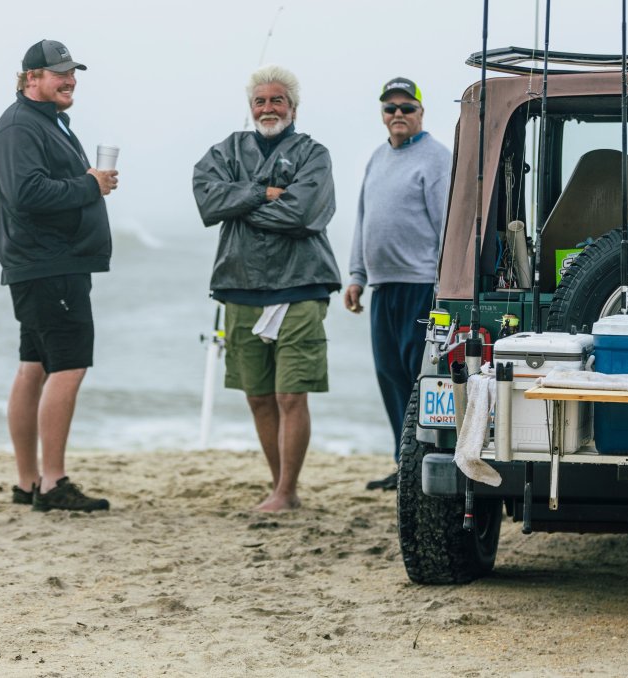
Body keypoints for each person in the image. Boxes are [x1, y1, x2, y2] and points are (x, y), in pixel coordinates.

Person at [192, 65, 340, 512]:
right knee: (258, 396)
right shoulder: (228, 150)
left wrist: (239, 203)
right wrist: (263, 192)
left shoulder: (315, 154)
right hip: (239, 287)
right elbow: (206, 198)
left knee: (290, 393)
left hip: (301, 285)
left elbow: (302, 215)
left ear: (293, 107)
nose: (268, 107)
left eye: (277, 100)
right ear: (250, 107)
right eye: (260, 100)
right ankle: (279, 486)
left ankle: (286, 491)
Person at [0, 39, 118, 512]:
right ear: (31, 79)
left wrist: (89, 182)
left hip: (45, 264)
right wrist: (89, 184)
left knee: (35, 366)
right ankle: (52, 483)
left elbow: (39, 185)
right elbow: (26, 193)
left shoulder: (44, 122)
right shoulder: (20, 126)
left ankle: (28, 482)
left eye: (72, 72)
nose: (70, 79)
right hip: (49, 264)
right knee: (68, 366)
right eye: (59, 73)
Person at [345, 77, 452, 491]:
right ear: (382, 114)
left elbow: (446, 225)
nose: (398, 115)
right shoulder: (376, 158)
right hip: (383, 286)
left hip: (421, 285)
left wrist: (447, 284)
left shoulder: (436, 158)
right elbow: (362, 219)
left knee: (417, 378)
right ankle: (401, 461)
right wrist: (356, 275)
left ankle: (421, 461)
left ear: (421, 112)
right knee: (389, 374)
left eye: (406, 107)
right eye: (390, 108)